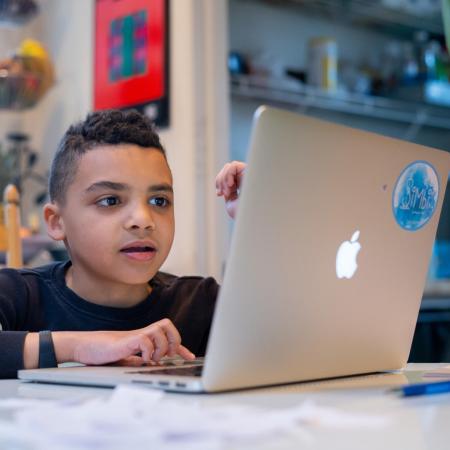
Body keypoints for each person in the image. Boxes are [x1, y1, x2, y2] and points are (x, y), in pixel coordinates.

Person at [0, 109, 245, 379]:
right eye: (110, 201)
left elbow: (289, 336)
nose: (143, 220)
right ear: (57, 222)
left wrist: (259, 216)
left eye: (159, 201)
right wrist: (80, 346)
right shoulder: (19, 293)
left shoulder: (199, 302)